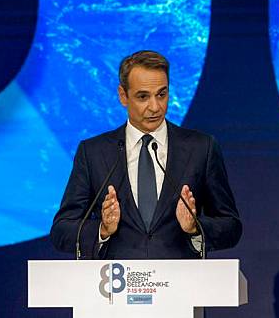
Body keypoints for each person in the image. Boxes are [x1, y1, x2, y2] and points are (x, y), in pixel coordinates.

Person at [50, 50, 241, 259]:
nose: (155, 107)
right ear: (123, 95)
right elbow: (62, 230)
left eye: (162, 94)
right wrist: (102, 230)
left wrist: (195, 228)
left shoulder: (201, 148)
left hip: (182, 285)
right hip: (116, 285)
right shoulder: (93, 152)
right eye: (143, 96)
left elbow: (231, 226)